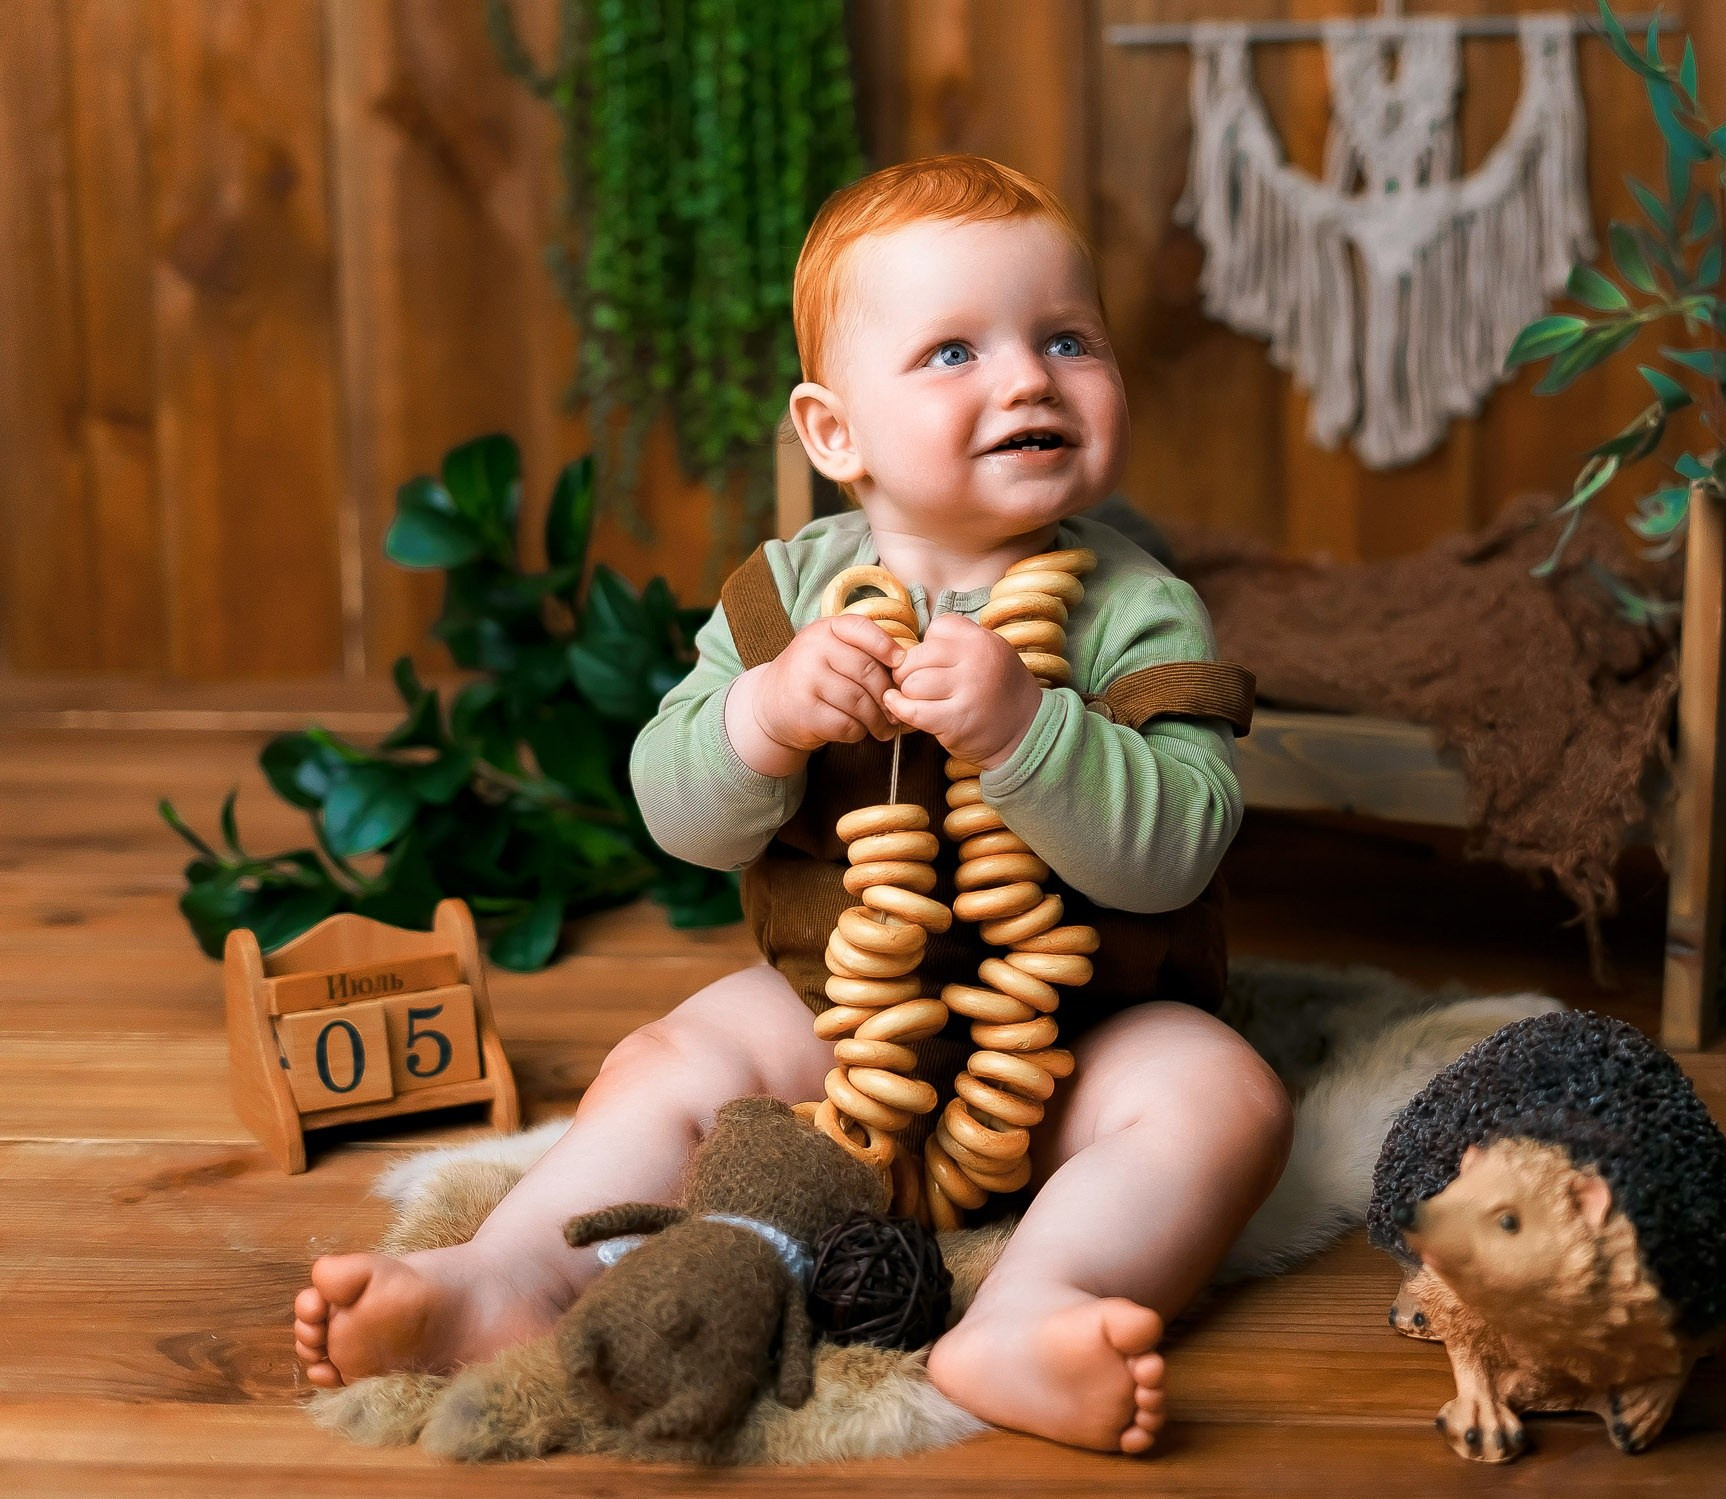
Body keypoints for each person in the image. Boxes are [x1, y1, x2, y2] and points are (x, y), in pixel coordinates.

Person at [290, 155, 1293, 1455]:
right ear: (833, 434)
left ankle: (1036, 1311)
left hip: (1085, 1033)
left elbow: (1180, 849)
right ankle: (514, 1272)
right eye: (953, 352)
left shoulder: (1136, 607)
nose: (1029, 378)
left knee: (1228, 1101)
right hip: (837, 1017)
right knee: (672, 1060)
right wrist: (760, 719)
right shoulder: (780, 599)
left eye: (1066, 339)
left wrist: (1032, 729)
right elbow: (677, 812)